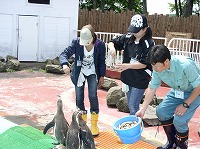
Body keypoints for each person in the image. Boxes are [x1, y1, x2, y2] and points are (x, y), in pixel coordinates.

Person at [136, 45, 200, 149]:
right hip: (178, 91)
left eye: (155, 66)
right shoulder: (158, 70)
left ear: (166, 62)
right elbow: (152, 88)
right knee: (161, 112)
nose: (153, 69)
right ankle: (172, 143)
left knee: (179, 120)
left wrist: (185, 104)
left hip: (195, 92)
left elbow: (198, 87)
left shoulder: (185, 65)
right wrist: (143, 109)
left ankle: (182, 146)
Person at [59, 24, 106, 136]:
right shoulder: (76, 42)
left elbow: (101, 61)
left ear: (93, 38)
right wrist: (65, 64)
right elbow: (64, 54)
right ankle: (82, 123)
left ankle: (94, 124)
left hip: (93, 72)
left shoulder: (100, 45)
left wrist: (102, 76)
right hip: (79, 72)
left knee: (93, 96)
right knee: (79, 97)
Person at [108, 14, 155, 115]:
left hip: (140, 78)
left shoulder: (149, 43)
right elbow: (112, 42)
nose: (134, 32)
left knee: (133, 105)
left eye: (136, 30)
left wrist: (127, 65)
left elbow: (144, 64)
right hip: (128, 77)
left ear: (144, 29)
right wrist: (112, 48)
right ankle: (134, 125)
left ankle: (135, 127)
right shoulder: (128, 38)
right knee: (131, 104)